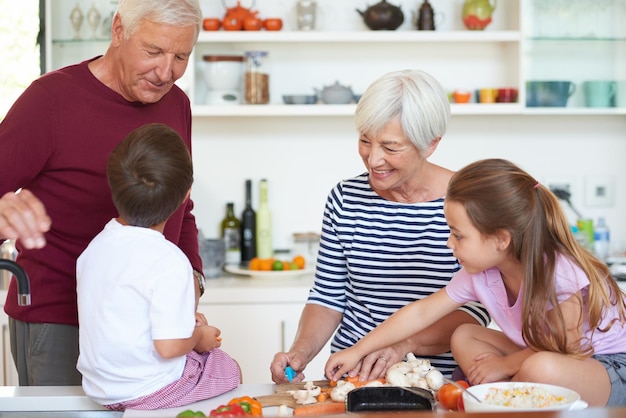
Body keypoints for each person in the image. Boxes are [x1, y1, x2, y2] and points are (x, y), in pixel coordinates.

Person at [0, 0, 206, 386]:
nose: (166, 73)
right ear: (118, 31)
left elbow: (183, 207)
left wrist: (193, 278)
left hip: (150, 328)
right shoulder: (50, 100)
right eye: (153, 51)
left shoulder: (177, 103)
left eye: (181, 56)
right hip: (60, 323)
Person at [325, 158, 626, 407]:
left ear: (500, 239)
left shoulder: (559, 270)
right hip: (540, 352)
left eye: (458, 234)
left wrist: (505, 365)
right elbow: (419, 313)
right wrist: (357, 350)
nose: (448, 243)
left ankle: (505, 389)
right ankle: (506, 394)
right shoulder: (480, 272)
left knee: (539, 367)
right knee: (465, 334)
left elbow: (567, 346)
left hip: (603, 364)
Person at [270, 69, 490, 384]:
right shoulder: (346, 198)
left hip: (441, 381)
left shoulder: (468, 203)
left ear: (430, 144)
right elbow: (328, 296)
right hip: (354, 377)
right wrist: (300, 352)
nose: (373, 159)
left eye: (390, 147)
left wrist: (403, 346)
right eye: (365, 141)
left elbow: (477, 311)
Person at [76, 123, 240, 410]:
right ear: (186, 194)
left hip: (102, 389)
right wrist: (199, 336)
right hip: (149, 391)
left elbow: (126, 316)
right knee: (228, 368)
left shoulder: (95, 249)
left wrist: (184, 322)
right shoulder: (170, 260)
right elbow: (169, 347)